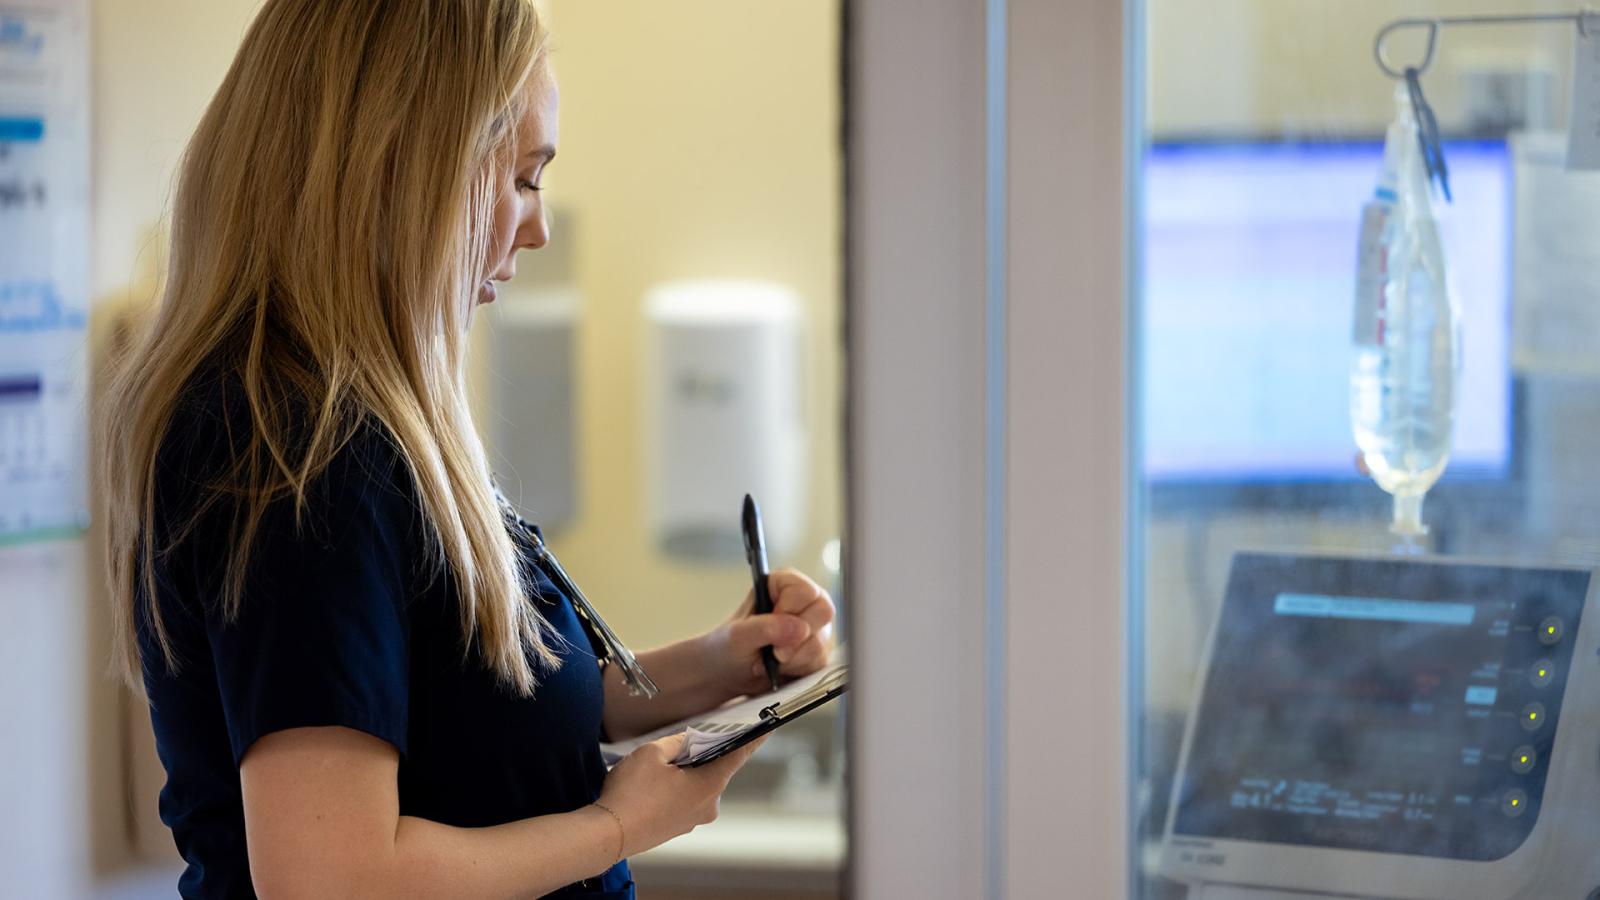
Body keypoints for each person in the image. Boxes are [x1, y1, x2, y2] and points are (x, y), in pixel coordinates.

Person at [97, 2, 835, 897]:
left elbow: (480, 717)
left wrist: (716, 664)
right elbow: (332, 876)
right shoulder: (300, 451)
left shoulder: (367, 422)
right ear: (405, 171)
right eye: (524, 179)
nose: (539, 226)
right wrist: (619, 824)